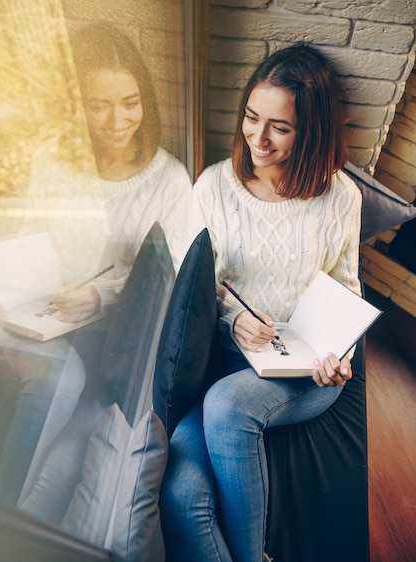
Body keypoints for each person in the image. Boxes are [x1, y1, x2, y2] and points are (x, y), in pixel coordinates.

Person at [160, 44, 362, 562]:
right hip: (226, 357)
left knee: (228, 408)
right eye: (252, 118)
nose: (259, 137)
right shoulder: (212, 187)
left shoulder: (341, 197)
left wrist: (339, 356)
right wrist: (234, 323)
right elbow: (198, 290)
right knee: (182, 496)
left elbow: (347, 287)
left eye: (280, 127)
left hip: (304, 365)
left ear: (310, 130)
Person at [0, 22, 191, 507]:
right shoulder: (50, 160)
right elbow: (27, 243)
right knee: (50, 375)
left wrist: (100, 296)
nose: (117, 120)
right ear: (75, 104)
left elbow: (171, 282)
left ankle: (11, 522)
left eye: (130, 101)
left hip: (114, 342)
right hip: (42, 321)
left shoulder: (168, 179)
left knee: (59, 399)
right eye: (98, 104)